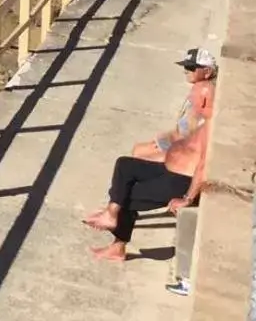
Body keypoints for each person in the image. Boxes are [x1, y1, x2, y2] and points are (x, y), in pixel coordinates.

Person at [86, 51, 216, 262]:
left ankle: (117, 243)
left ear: (205, 98)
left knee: (126, 196)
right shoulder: (204, 117)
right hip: (170, 168)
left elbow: (203, 165)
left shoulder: (212, 126)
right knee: (125, 165)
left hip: (180, 181)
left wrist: (187, 198)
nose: (191, 97)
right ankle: (111, 212)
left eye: (196, 95)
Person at [131, 49, 216, 161]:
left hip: (183, 148)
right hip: (177, 141)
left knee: (138, 156)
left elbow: (192, 134)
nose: (186, 71)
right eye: (185, 67)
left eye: (191, 68)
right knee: (137, 150)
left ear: (207, 71)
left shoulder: (203, 92)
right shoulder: (199, 87)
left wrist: (170, 143)